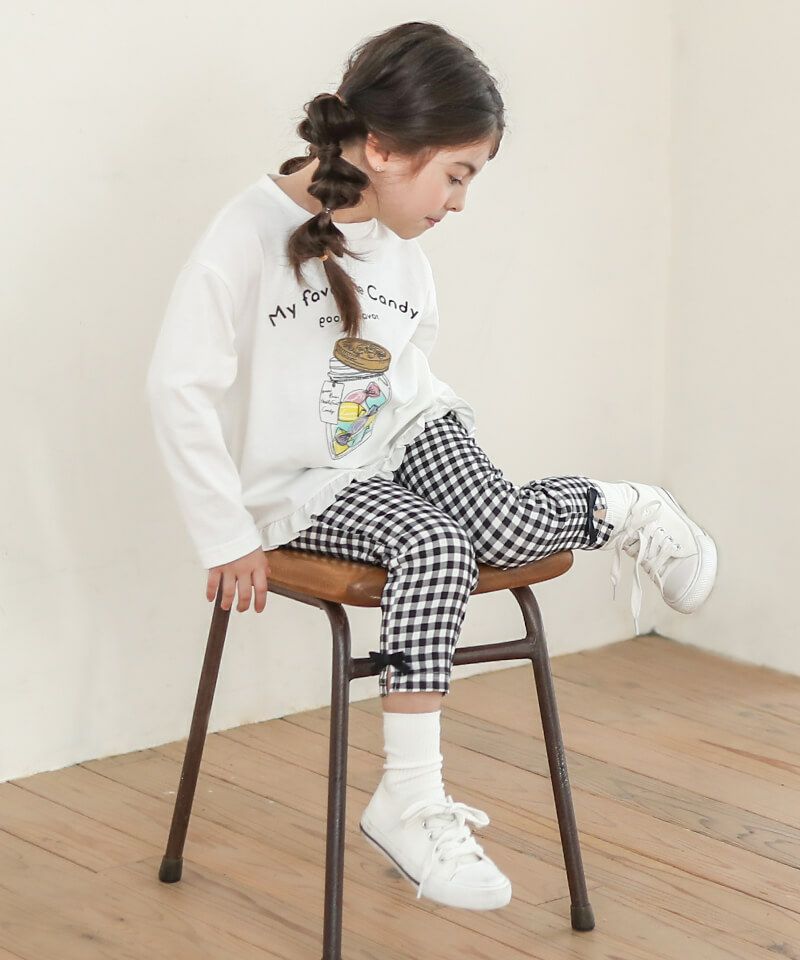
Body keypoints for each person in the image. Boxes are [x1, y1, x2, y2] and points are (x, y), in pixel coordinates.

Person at [145, 21, 717, 913]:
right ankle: (409, 798)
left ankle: (627, 508)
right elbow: (177, 388)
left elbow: (403, 373)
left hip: (411, 427)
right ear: (381, 147)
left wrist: (408, 444)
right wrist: (224, 534)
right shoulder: (245, 235)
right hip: (306, 490)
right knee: (437, 547)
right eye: (457, 174)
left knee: (504, 525)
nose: (460, 201)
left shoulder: (402, 255)